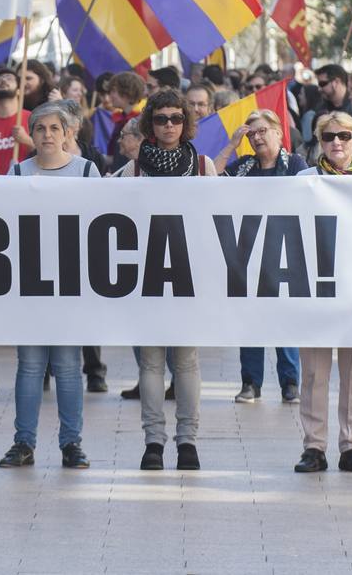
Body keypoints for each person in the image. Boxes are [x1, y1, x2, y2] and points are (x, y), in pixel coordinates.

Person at [116, 89, 213, 471]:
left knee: (186, 361)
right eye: (161, 119)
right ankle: (153, 443)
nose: (169, 125)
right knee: (151, 364)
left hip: (189, 273)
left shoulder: (203, 165)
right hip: (145, 271)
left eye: (176, 118)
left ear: (186, 122)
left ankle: (187, 442)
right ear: (150, 124)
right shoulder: (135, 168)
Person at [0, 102, 96, 470]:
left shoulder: (86, 172)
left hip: (71, 283)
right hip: (31, 284)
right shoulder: (18, 172)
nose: (48, 136)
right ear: (32, 134)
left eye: (56, 129)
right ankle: (23, 442)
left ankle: (71, 443)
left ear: (69, 133)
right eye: (40, 129)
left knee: (68, 366)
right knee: (30, 366)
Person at [294, 111, 352, 474]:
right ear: (319, 141)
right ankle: (314, 447)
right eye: (329, 136)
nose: (336, 143)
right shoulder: (304, 180)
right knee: (314, 373)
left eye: (345, 136)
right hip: (315, 290)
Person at [215, 109, 308, 404]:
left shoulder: (295, 165)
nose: (256, 138)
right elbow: (211, 177)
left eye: (262, 131)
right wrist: (232, 144)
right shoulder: (244, 166)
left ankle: (289, 382)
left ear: (279, 133)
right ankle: (250, 382)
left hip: (285, 252)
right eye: (251, 134)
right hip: (249, 253)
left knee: (285, 320)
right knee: (251, 320)